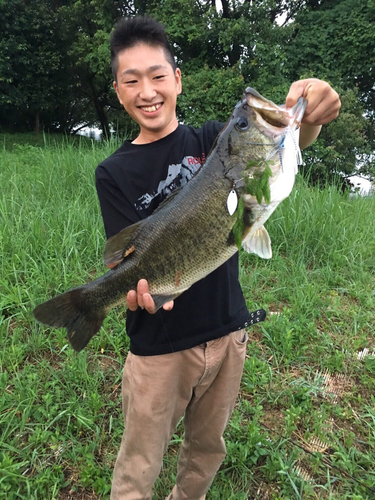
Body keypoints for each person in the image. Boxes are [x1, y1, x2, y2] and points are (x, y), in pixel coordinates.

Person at [95, 16, 341, 500]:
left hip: (228, 332)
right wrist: (130, 290)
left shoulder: (212, 140)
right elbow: (124, 259)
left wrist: (309, 115)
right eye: (133, 80)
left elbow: (283, 146)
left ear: (178, 80)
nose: (148, 90)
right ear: (119, 92)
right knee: (140, 461)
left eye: (158, 76)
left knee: (206, 449)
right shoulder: (113, 171)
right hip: (158, 349)